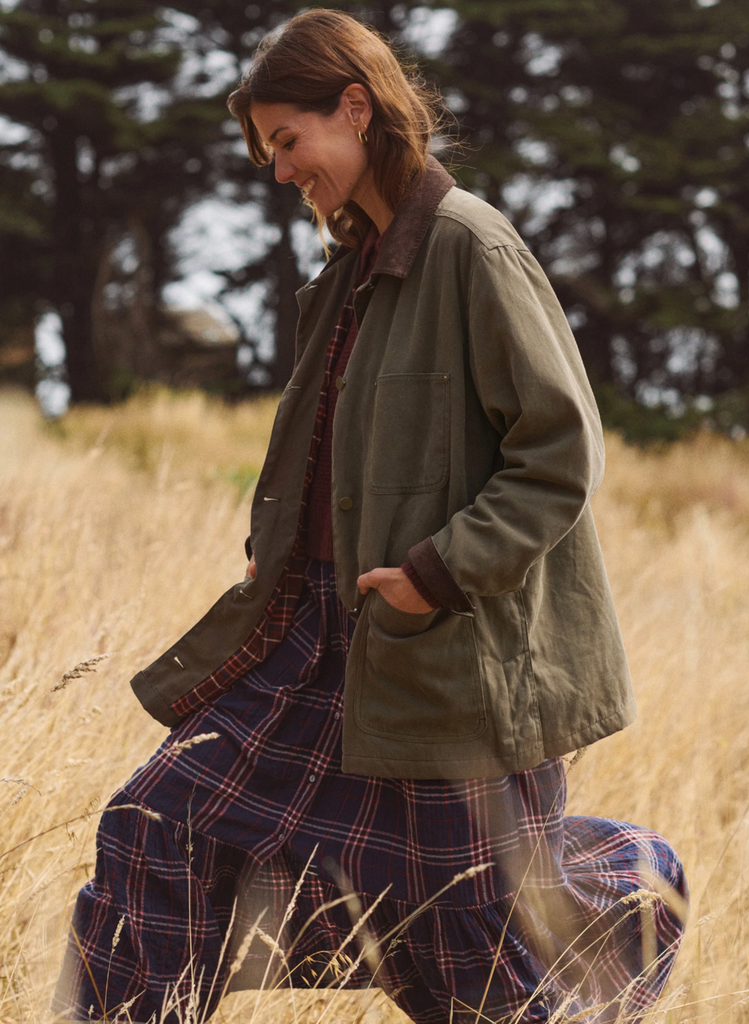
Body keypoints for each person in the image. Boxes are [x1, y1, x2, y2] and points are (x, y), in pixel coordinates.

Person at [54, 10, 687, 1023]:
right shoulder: (348, 274)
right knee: (154, 825)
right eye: (266, 150)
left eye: (285, 141)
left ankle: (625, 882)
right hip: (311, 646)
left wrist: (435, 573)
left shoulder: (471, 248)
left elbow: (561, 454)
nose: (276, 170)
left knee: (465, 948)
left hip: (441, 653)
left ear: (354, 107)